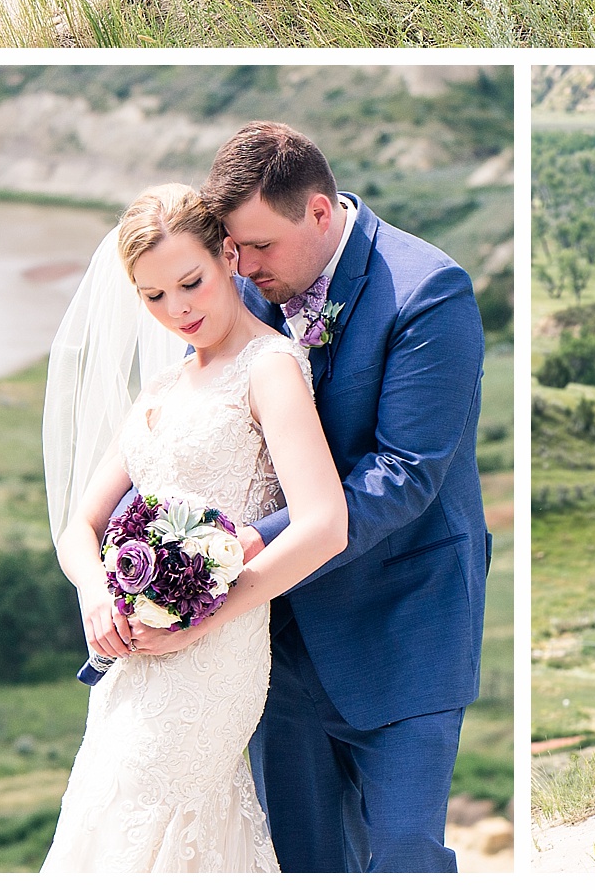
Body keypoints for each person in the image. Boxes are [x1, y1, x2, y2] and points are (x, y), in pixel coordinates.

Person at [208, 122, 491, 875]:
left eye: (258, 245)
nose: (242, 265)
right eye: (232, 247)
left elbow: (404, 471)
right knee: (303, 863)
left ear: (321, 213)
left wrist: (257, 542)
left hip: (405, 623)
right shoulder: (242, 289)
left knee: (403, 854)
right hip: (281, 644)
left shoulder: (430, 290)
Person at [42, 186, 347, 872]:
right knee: (108, 816)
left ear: (228, 256)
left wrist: (203, 617)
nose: (177, 309)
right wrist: (98, 594)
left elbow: (326, 524)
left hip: (217, 655)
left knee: (146, 819)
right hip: (136, 659)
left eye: (191, 281)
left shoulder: (268, 369)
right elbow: (79, 525)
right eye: (153, 296)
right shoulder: (161, 390)